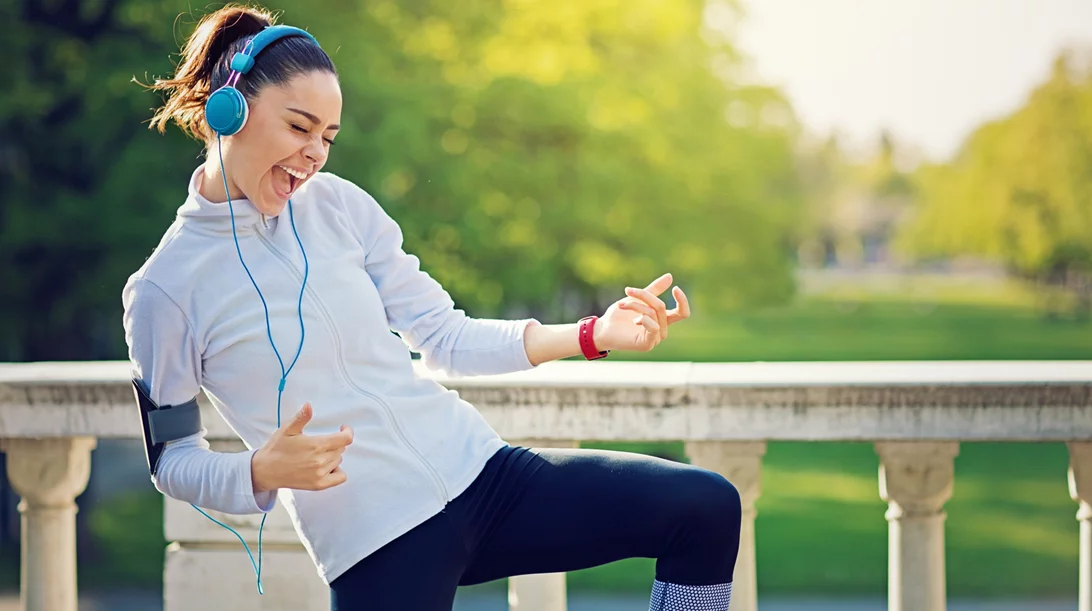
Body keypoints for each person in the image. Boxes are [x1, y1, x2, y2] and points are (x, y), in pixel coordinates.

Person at [123, 4, 741, 610]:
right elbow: (172, 460)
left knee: (705, 508)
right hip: (378, 541)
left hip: (485, 476)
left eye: (328, 137)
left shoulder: (338, 206)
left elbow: (444, 334)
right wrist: (258, 469)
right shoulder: (164, 290)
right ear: (230, 110)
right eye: (299, 127)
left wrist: (591, 335)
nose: (315, 154)